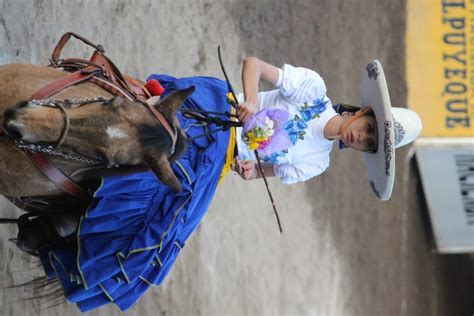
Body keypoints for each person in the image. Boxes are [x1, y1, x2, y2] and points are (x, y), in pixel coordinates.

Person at [35, 57, 421, 312]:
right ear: (364, 112)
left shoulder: (317, 162)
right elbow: (253, 63)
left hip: (219, 164)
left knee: (163, 236)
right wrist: (251, 100)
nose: (362, 137)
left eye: (370, 144)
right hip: (220, 107)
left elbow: (271, 170)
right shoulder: (313, 90)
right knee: (161, 137)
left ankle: (67, 226)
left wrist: (253, 172)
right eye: (369, 128)